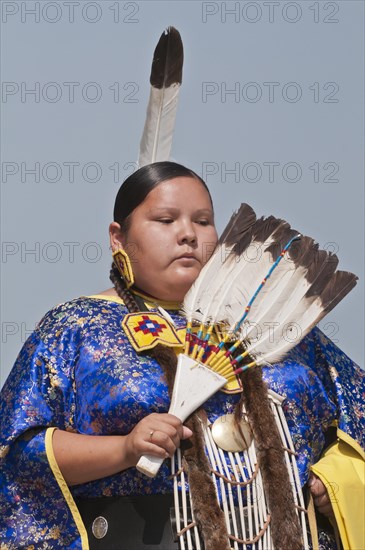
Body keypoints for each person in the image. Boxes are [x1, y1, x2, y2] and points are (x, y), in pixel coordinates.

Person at [0, 162, 364, 550]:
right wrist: (124, 449)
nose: (188, 234)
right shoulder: (76, 326)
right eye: (165, 219)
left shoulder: (277, 326)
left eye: (203, 221)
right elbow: (17, 453)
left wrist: (335, 481)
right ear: (118, 238)